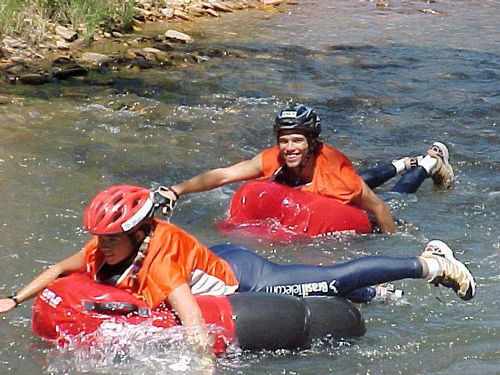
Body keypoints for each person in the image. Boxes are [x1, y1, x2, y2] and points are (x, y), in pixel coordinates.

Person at [0, 185, 475, 349]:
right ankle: (377, 293)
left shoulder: (158, 261)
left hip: (247, 278)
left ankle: (429, 264)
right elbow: (58, 271)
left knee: (331, 278)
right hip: (211, 258)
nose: (102, 247)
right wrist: (13, 299)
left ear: (139, 232)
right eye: (99, 237)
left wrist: (202, 366)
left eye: (112, 238)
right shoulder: (107, 247)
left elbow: (190, 318)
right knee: (333, 284)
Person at [158, 104, 454, 234]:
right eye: (284, 140)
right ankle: (402, 162)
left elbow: (377, 206)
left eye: (297, 140)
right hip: (328, 193)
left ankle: (428, 164)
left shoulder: (334, 174)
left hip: (362, 213)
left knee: (397, 197)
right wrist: (176, 190)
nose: (290, 148)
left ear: (311, 142)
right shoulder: (275, 157)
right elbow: (223, 175)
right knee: (362, 180)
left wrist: (390, 241)